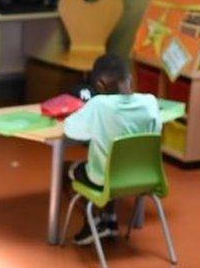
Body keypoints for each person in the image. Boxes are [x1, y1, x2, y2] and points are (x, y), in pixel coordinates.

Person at [63, 54, 163, 245]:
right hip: (144, 177)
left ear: (99, 85)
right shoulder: (150, 103)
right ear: (130, 79)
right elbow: (155, 131)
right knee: (113, 165)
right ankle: (110, 220)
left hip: (107, 178)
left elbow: (70, 129)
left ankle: (93, 223)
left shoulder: (99, 106)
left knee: (67, 170)